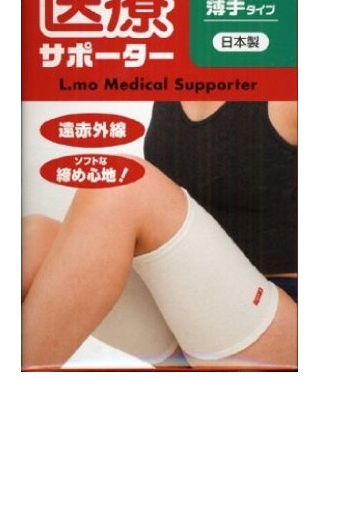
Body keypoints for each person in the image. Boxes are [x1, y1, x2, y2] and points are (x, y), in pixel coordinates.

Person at [21, 100, 298, 369]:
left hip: (275, 326)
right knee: (33, 240)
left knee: (120, 187)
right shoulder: (175, 87)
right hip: (188, 314)